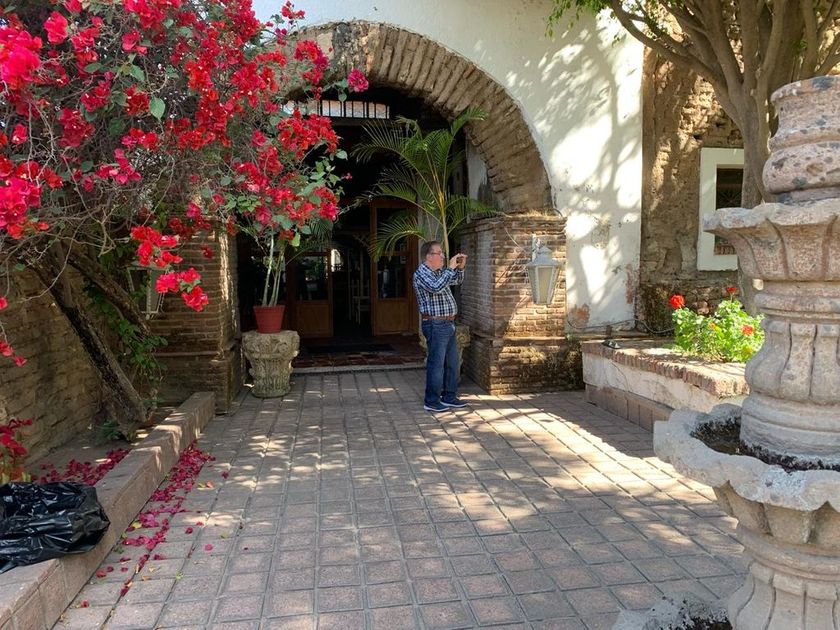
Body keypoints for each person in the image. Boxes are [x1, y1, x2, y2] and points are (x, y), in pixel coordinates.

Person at [413, 240, 469, 413]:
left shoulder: (439, 272)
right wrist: (451, 267)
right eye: (440, 253)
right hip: (435, 324)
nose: (443, 256)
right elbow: (436, 287)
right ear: (429, 256)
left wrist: (460, 268)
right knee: (436, 364)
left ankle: (449, 397)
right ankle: (431, 401)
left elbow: (456, 280)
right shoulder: (421, 273)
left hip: (448, 323)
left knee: (452, 363)